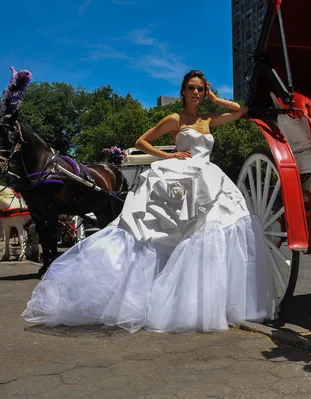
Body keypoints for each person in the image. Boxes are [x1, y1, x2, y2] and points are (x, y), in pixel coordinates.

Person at [21, 70, 277, 333]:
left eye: (201, 89)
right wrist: (169, 156)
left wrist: (216, 98)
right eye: (192, 88)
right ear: (183, 91)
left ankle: (204, 301)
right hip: (181, 174)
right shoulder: (175, 118)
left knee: (219, 226)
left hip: (209, 177)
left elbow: (242, 111)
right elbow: (141, 142)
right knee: (161, 233)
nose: (197, 93)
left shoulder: (208, 119)